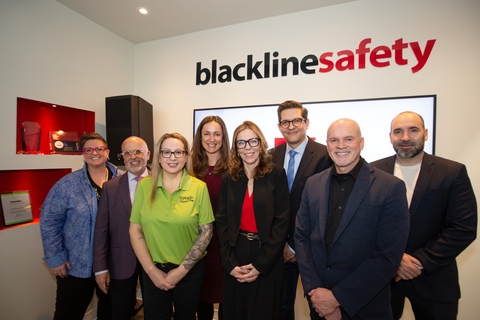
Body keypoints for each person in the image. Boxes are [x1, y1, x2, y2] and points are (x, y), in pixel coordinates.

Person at [294, 119, 410, 320]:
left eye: (348, 139)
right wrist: (316, 293)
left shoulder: (390, 187)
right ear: (327, 144)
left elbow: (387, 256)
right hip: (319, 304)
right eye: (334, 140)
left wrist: (337, 298)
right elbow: (302, 239)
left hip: (366, 306)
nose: (340, 146)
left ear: (362, 143)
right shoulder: (313, 184)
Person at [371, 111, 477, 320]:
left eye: (413, 130)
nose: (405, 137)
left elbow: (463, 228)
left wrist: (419, 261)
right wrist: (395, 260)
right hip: (382, 281)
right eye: (398, 132)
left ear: (425, 133)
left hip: (434, 280)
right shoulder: (373, 171)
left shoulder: (452, 172)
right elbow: (364, 224)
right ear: (390, 136)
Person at [129, 132, 214, 320]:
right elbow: (135, 230)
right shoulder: (144, 186)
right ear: (158, 157)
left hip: (189, 272)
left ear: (186, 157)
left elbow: (206, 233)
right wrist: (151, 271)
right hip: (153, 271)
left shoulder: (198, 187)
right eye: (167, 152)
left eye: (178, 152)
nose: (173, 158)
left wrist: (181, 271)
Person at [40, 132, 121, 320]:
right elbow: (50, 221)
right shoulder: (67, 185)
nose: (95, 153)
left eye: (99, 148)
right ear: (83, 154)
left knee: (110, 312)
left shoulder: (122, 179)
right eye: (89, 149)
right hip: (76, 264)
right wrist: (56, 258)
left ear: (107, 151)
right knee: (68, 313)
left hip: (113, 262)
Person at [216, 121, 290, 320]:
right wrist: (229, 263)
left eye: (252, 141)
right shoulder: (228, 178)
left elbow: (282, 222)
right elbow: (222, 221)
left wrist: (261, 264)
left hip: (267, 256)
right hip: (236, 253)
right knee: (235, 312)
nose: (247, 147)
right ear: (236, 148)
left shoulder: (276, 174)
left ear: (261, 143)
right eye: (241, 143)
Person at [270, 100, 333, 320]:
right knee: (282, 306)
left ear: (306, 122)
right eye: (285, 122)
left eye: (296, 120)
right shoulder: (270, 156)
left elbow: (324, 209)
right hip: (279, 250)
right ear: (279, 126)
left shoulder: (326, 155)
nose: (291, 126)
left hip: (312, 249)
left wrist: (295, 246)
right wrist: (281, 244)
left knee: (319, 307)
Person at [93, 136, 150, 319]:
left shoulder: (162, 182)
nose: (133, 156)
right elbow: (101, 230)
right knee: (120, 313)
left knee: (157, 312)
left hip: (157, 259)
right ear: (122, 157)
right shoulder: (110, 188)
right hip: (121, 262)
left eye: (138, 151)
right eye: (127, 153)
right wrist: (100, 269)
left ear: (148, 154)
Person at [191, 116, 230, 320]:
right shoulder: (188, 168)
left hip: (224, 245)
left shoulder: (235, 169)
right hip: (195, 244)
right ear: (200, 137)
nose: (211, 138)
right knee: (200, 298)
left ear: (224, 138)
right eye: (206, 133)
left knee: (227, 299)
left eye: (217, 134)